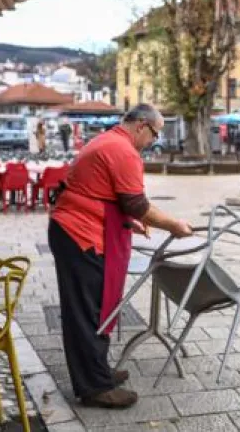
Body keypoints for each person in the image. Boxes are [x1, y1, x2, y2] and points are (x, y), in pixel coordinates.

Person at [49, 104, 193, 409]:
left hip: (77, 227)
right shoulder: (123, 150)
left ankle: (97, 371)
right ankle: (94, 387)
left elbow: (106, 195)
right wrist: (173, 225)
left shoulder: (108, 140)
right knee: (87, 309)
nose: (153, 141)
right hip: (80, 234)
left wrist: (126, 222)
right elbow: (136, 204)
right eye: (155, 133)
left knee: (97, 303)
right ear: (141, 125)